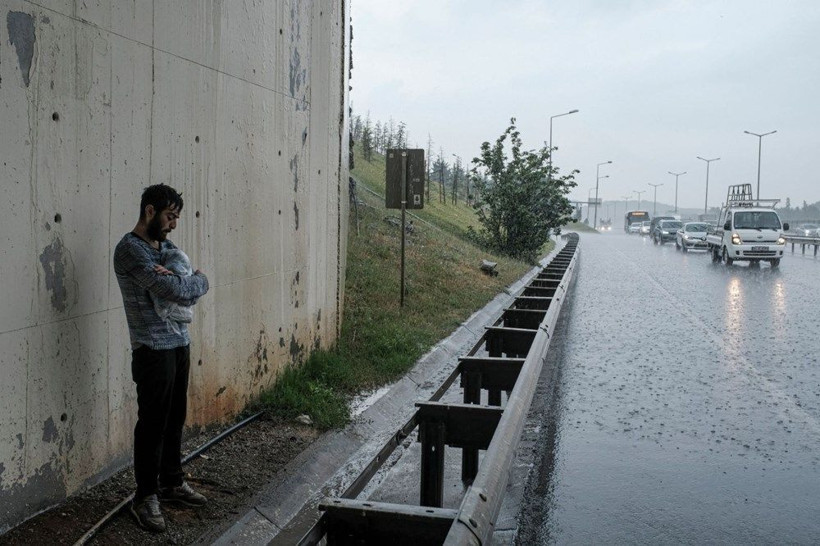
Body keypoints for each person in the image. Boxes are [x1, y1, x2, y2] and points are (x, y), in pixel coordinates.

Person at [113, 184, 210, 533]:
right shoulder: (130, 250)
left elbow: (188, 288)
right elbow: (172, 289)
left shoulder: (166, 249)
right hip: (152, 348)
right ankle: (145, 496)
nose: (174, 224)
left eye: (177, 217)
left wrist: (196, 282)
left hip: (179, 343)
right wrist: (197, 280)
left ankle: (171, 482)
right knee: (152, 423)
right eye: (170, 216)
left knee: (174, 418)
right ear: (150, 211)